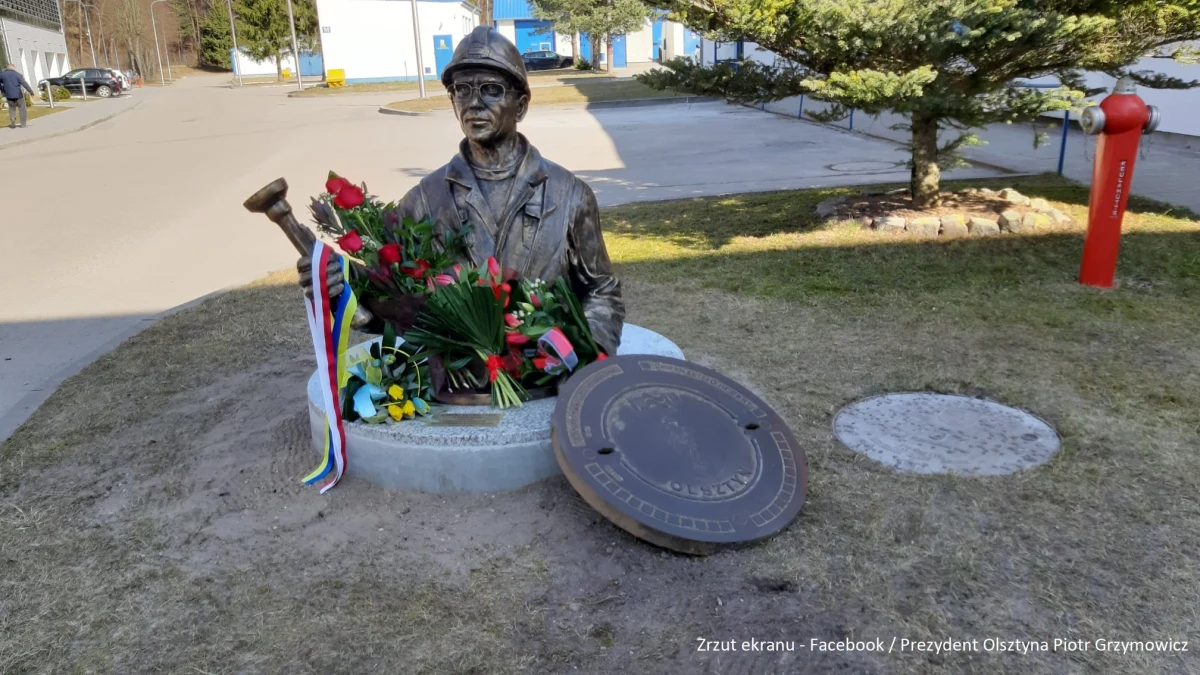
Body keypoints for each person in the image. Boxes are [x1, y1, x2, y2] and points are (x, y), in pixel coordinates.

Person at [300, 26, 625, 355]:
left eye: (491, 89)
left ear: (522, 105)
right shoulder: (423, 201)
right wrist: (338, 284)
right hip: (457, 381)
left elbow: (601, 290)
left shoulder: (569, 196)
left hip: (546, 374)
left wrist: (583, 354)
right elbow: (394, 298)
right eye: (462, 90)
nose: (474, 103)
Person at [1, 64, 36, 129]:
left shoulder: (2, 75)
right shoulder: (18, 75)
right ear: (14, 68)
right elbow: (24, 83)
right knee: (22, 109)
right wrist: (31, 92)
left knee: (11, 108)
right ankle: (23, 124)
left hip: (8, 95)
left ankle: (12, 118)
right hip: (18, 95)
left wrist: (3, 89)